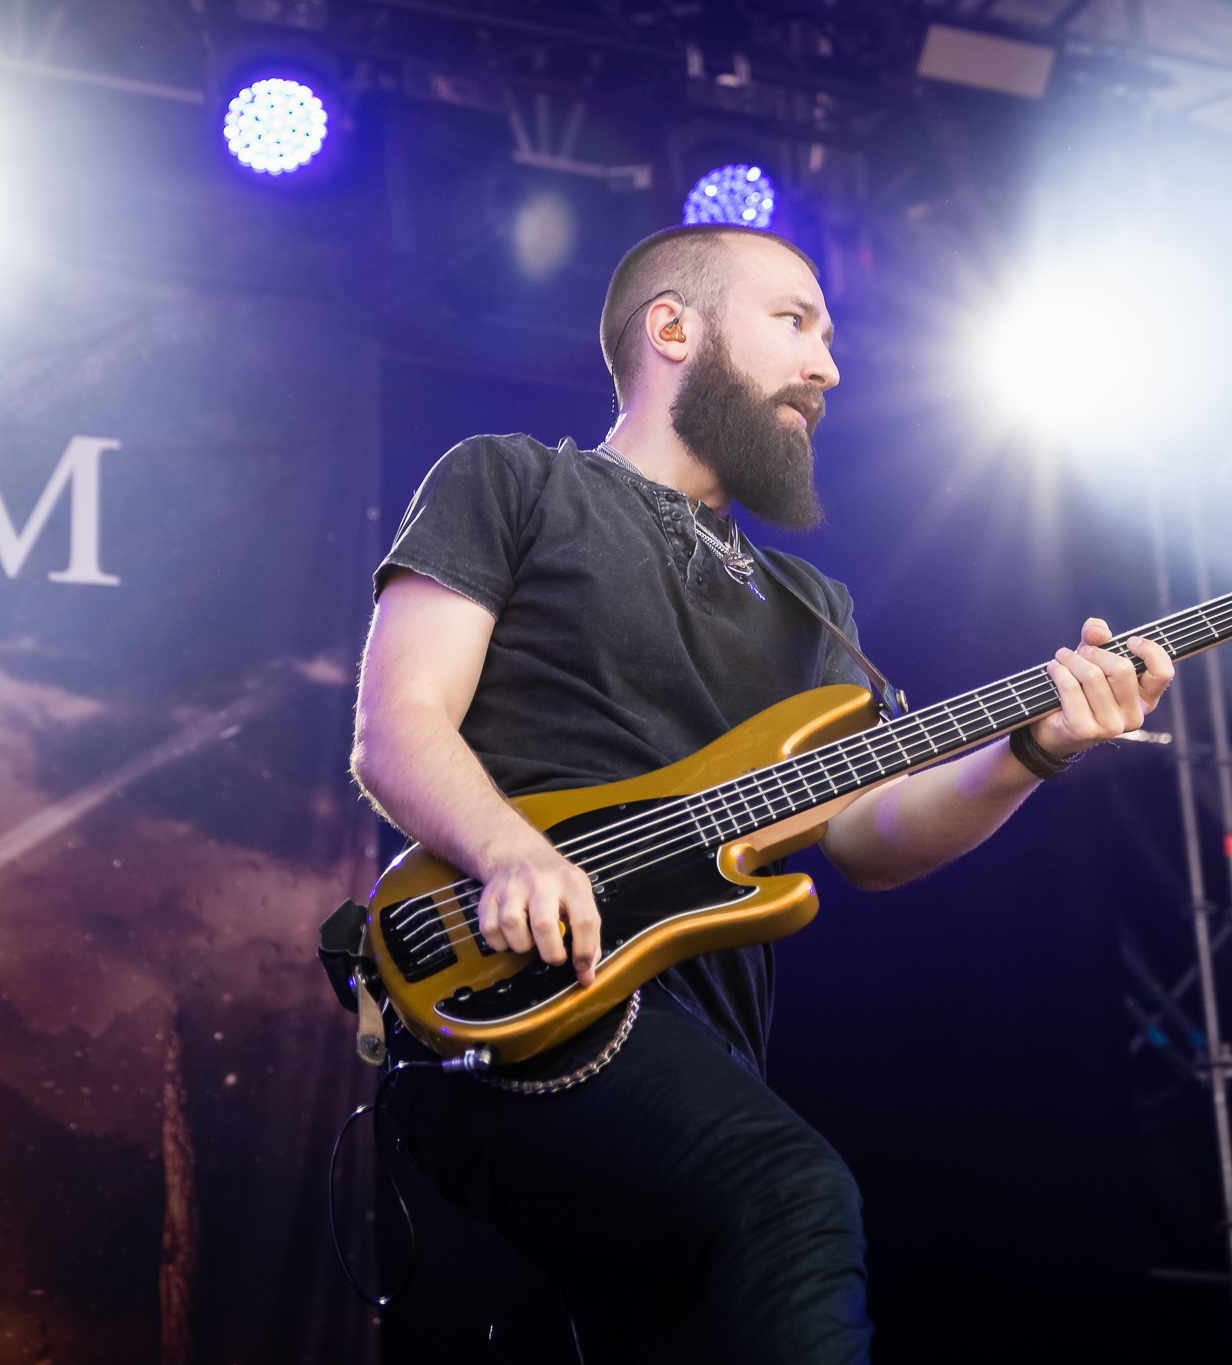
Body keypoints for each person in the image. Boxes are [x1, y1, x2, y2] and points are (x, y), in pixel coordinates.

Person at [350, 223, 1174, 1363]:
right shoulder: (514, 480)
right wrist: (511, 852)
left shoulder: (813, 608)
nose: (826, 366)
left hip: (709, 1040)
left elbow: (873, 834)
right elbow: (396, 726)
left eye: (829, 338)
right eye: (795, 322)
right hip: (512, 991)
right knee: (789, 1191)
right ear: (673, 328)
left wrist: (1030, 752)